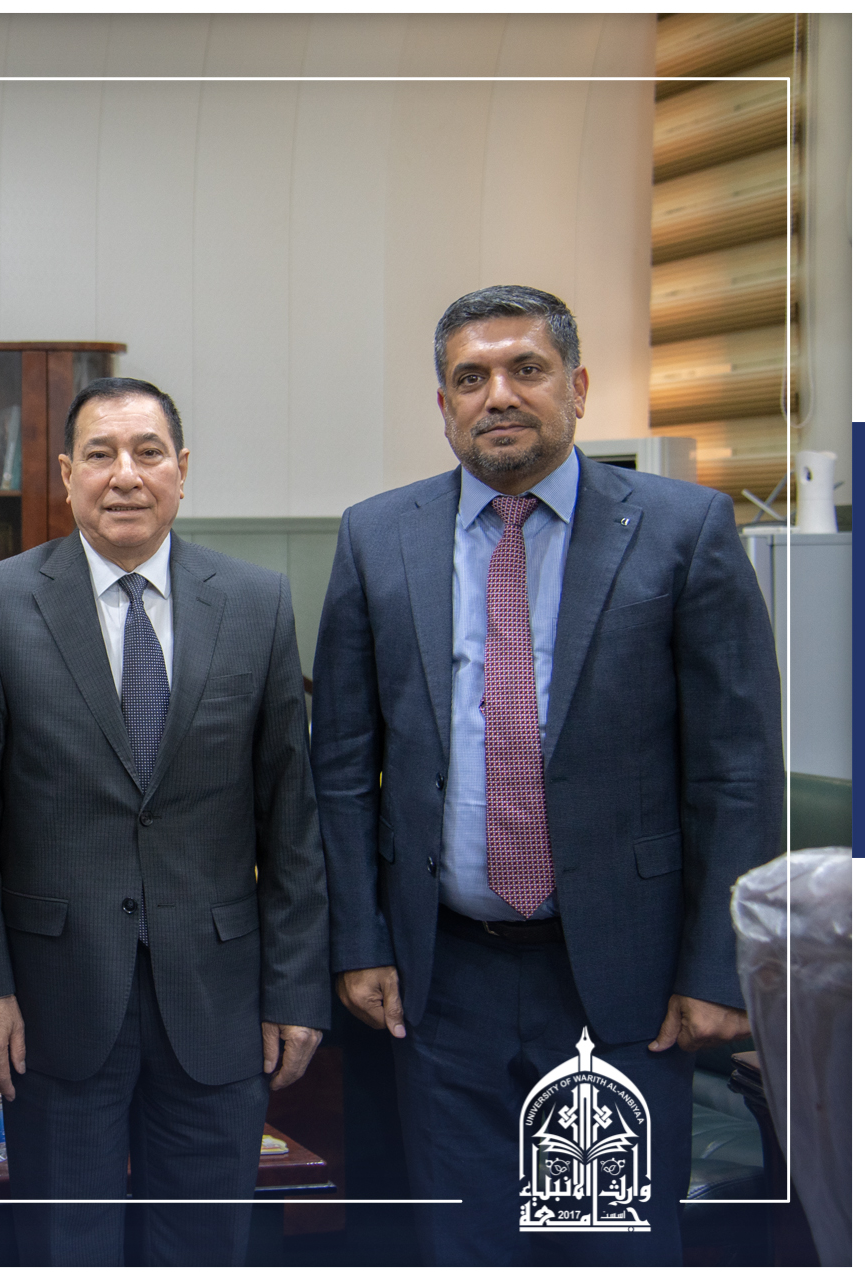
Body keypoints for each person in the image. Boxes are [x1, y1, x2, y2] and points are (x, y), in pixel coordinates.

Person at [311, 285, 783, 1263]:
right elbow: (344, 767)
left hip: (624, 975)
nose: (499, 395)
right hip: (440, 976)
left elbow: (736, 770)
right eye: (470, 378)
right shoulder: (376, 536)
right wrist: (358, 941)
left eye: (526, 369)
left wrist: (718, 966)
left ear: (578, 386)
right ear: (443, 404)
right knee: (461, 1247)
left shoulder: (685, 528)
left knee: (610, 1246)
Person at [0, 376, 329, 1265]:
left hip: (219, 1003)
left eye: (148, 453)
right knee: (64, 1251)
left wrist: (296, 988)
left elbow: (292, 820)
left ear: (181, 470)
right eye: (101, 454)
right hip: (52, 1006)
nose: (125, 475)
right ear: (66, 474)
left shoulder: (257, 603)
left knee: (204, 1251)